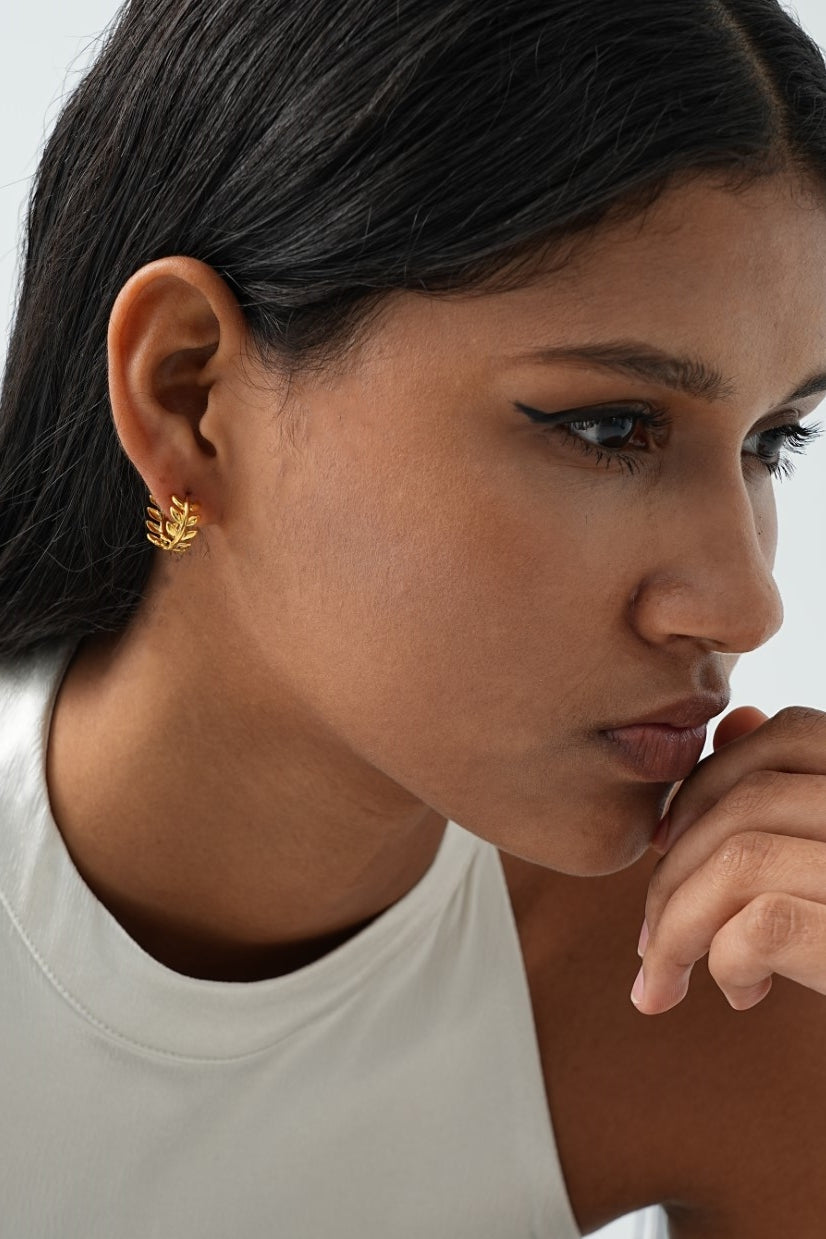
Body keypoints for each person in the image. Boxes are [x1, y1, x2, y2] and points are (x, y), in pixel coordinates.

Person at [2, 0, 826, 1234]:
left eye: (774, 440)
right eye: (606, 427)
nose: (746, 603)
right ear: (188, 397)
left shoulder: (727, 966)